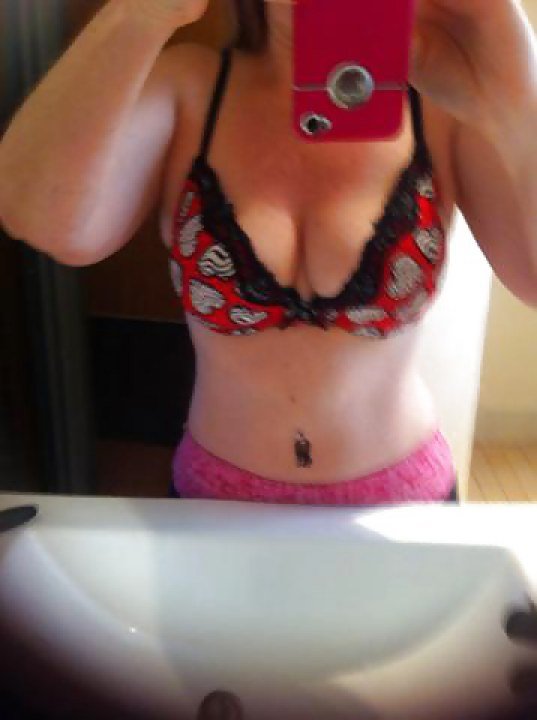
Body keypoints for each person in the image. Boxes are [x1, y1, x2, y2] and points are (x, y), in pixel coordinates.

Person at [1, 0, 536, 505]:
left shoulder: (445, 104)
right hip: (218, 497)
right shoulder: (190, 87)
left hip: (401, 504)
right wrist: (139, 12)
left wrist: (516, 87)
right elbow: (44, 220)